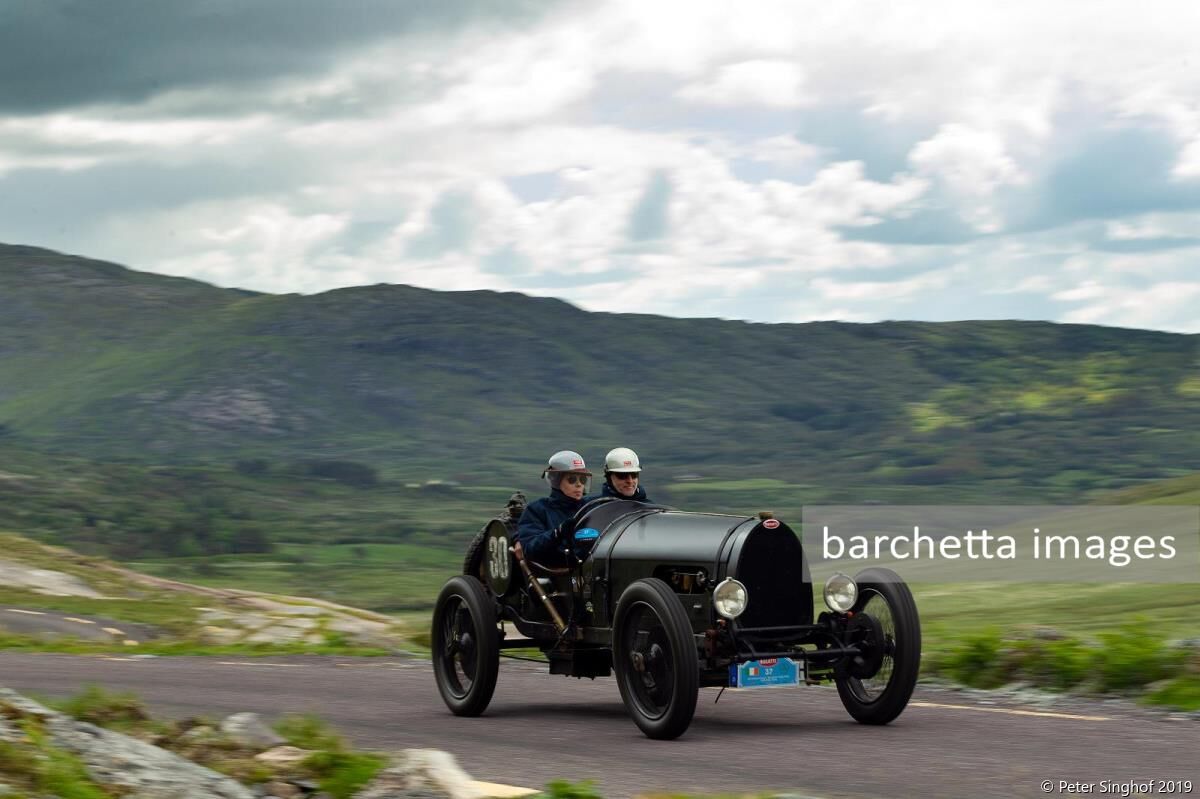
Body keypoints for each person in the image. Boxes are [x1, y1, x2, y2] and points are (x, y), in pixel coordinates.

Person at [515, 450, 592, 563]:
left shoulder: (590, 507)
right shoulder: (537, 509)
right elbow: (530, 549)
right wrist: (557, 533)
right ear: (556, 481)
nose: (579, 484)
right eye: (572, 479)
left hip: (592, 568)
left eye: (583, 479)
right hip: (556, 572)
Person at [586, 446, 650, 503]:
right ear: (609, 477)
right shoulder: (590, 507)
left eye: (634, 475)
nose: (630, 481)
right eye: (622, 476)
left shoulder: (652, 510)